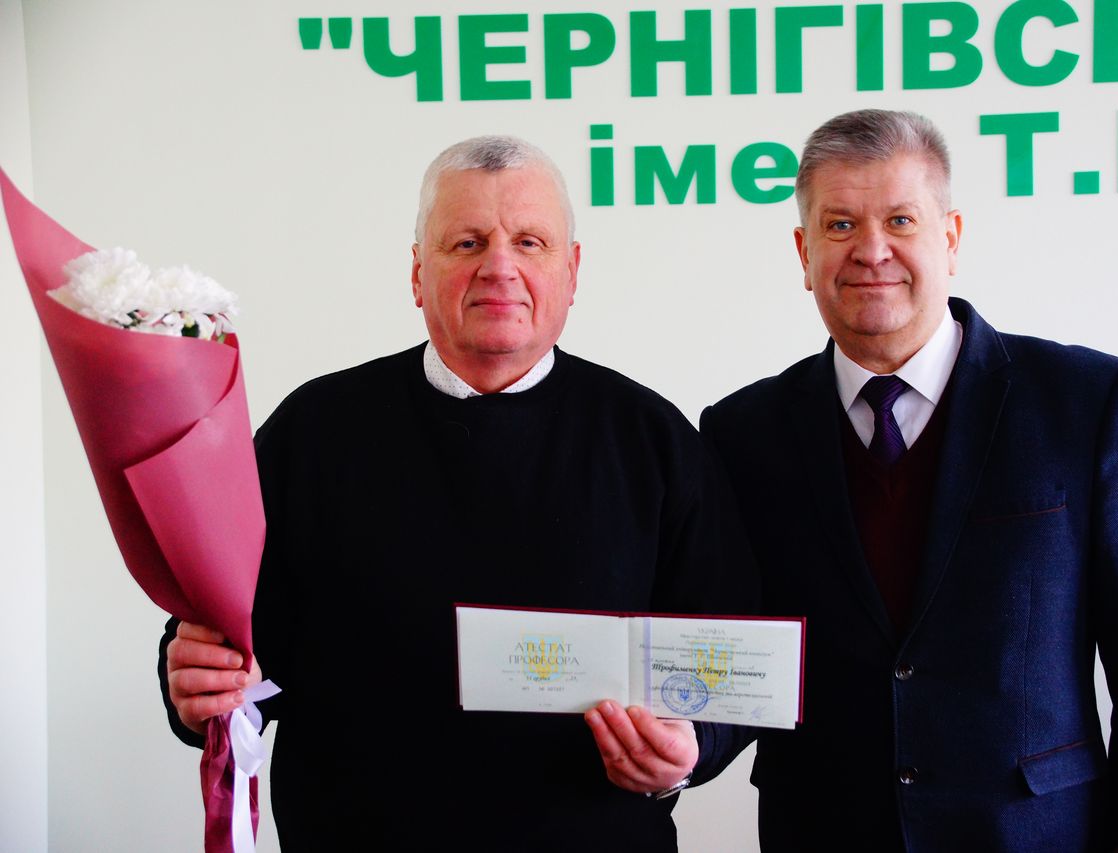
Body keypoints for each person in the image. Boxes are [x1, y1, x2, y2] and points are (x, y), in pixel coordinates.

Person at [160, 136, 748, 850]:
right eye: (467, 242)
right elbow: (228, 640)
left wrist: (691, 747)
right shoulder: (311, 431)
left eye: (529, 242)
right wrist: (197, 686)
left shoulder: (652, 438)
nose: (499, 266)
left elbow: (730, 648)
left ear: (572, 271)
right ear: (417, 274)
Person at [700, 110, 1118, 852]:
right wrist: (680, 746)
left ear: (951, 237)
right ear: (804, 253)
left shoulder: (1087, 403)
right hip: (822, 830)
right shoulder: (742, 432)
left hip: (1034, 834)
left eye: (900, 220)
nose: (871, 250)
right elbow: (732, 646)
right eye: (840, 225)